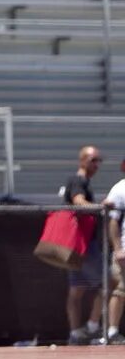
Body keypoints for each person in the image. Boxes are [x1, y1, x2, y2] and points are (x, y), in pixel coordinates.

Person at [64, 146, 106, 345]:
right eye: (92, 160)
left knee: (78, 289)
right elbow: (78, 201)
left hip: (80, 244)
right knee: (108, 282)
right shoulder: (78, 180)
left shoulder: (85, 182)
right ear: (82, 160)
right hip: (83, 244)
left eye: (98, 161)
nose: (96, 165)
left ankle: (77, 333)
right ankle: (90, 327)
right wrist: (101, 207)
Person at [102, 161, 125, 343]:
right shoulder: (119, 189)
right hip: (124, 249)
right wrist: (118, 249)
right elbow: (113, 222)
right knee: (120, 289)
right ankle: (112, 331)